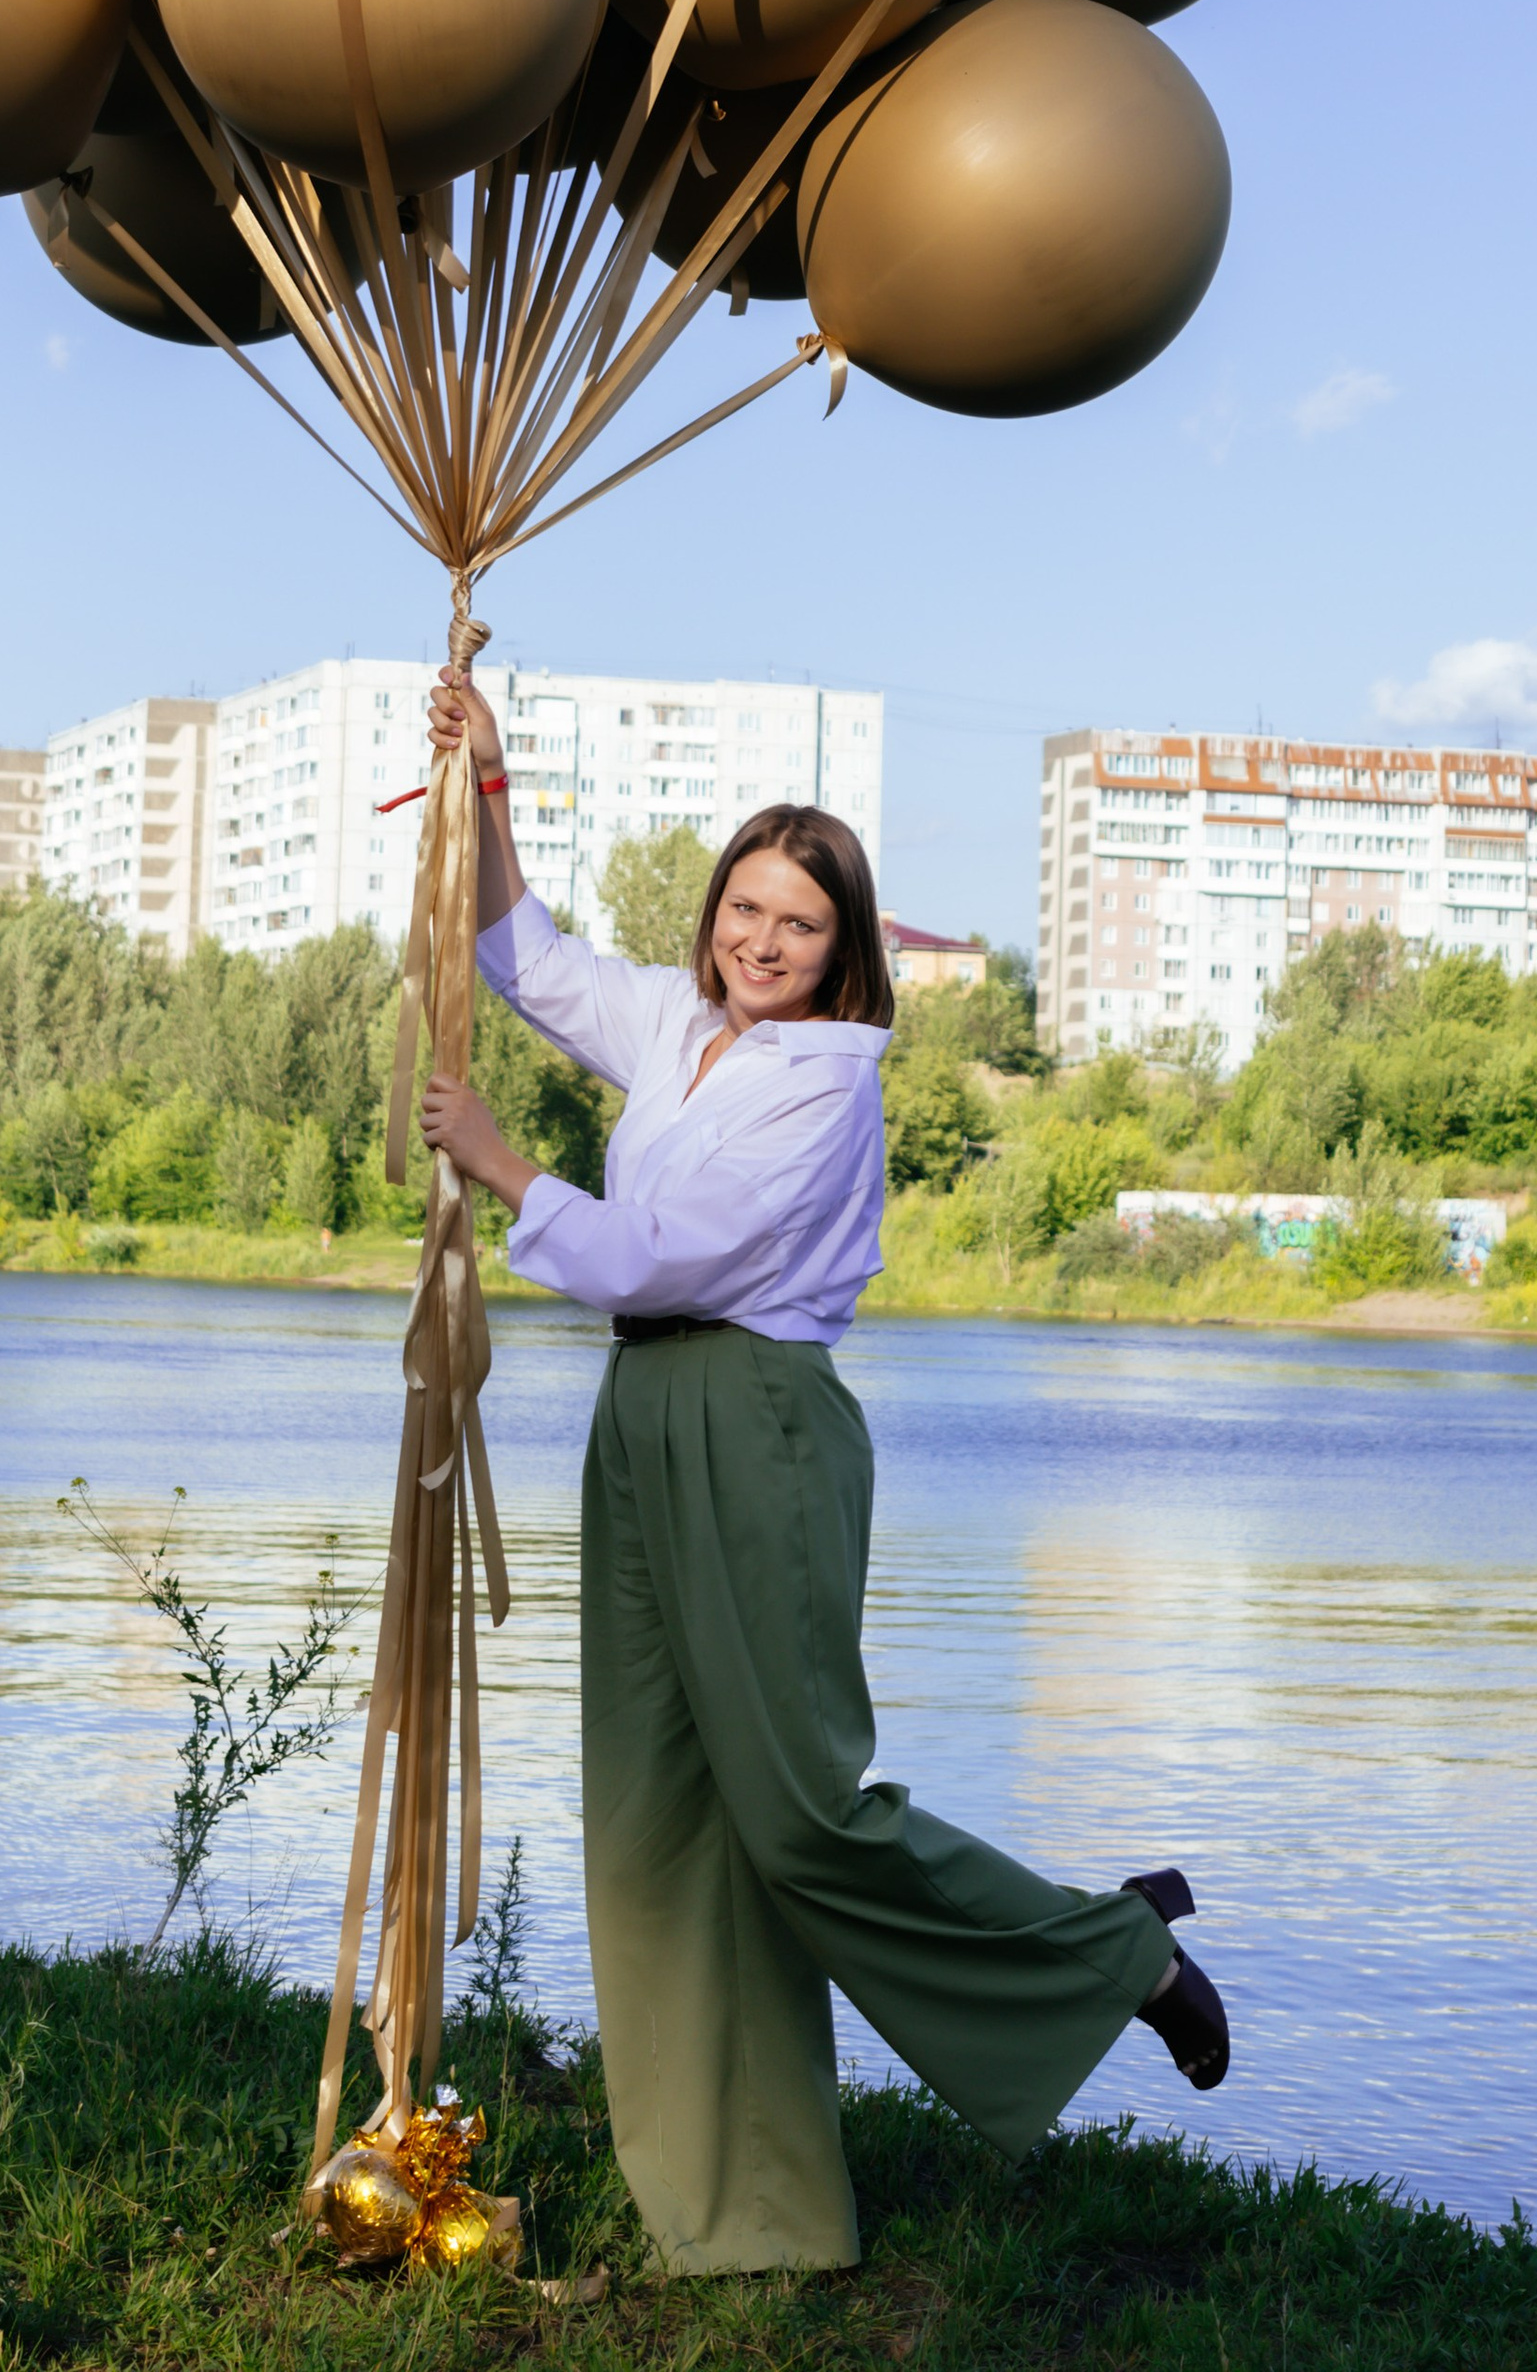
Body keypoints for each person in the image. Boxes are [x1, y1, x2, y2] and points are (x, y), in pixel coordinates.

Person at [416, 664, 1229, 2279]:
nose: (758, 942)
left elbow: (666, 1257)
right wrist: (491, 791)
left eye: (797, 923)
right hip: (645, 1422)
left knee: (796, 1817)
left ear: (846, 950)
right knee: (658, 1823)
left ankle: (1110, 1951)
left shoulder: (824, 1091)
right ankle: (751, 2219)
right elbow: (527, 959)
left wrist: (506, 1164)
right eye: (742, 909)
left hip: (757, 1423)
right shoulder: (687, 1029)